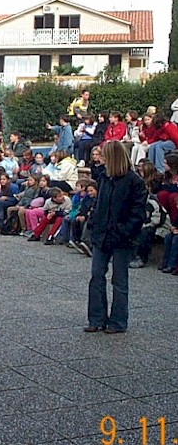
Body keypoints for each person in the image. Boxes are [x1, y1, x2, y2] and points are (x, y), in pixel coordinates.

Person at [85, 140, 147, 334]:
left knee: (119, 280)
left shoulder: (134, 181)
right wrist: (94, 222)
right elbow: (99, 204)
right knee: (96, 275)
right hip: (102, 233)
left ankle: (118, 321)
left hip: (122, 237)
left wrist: (124, 231)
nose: (101, 159)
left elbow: (138, 213)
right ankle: (96, 318)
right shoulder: (104, 177)